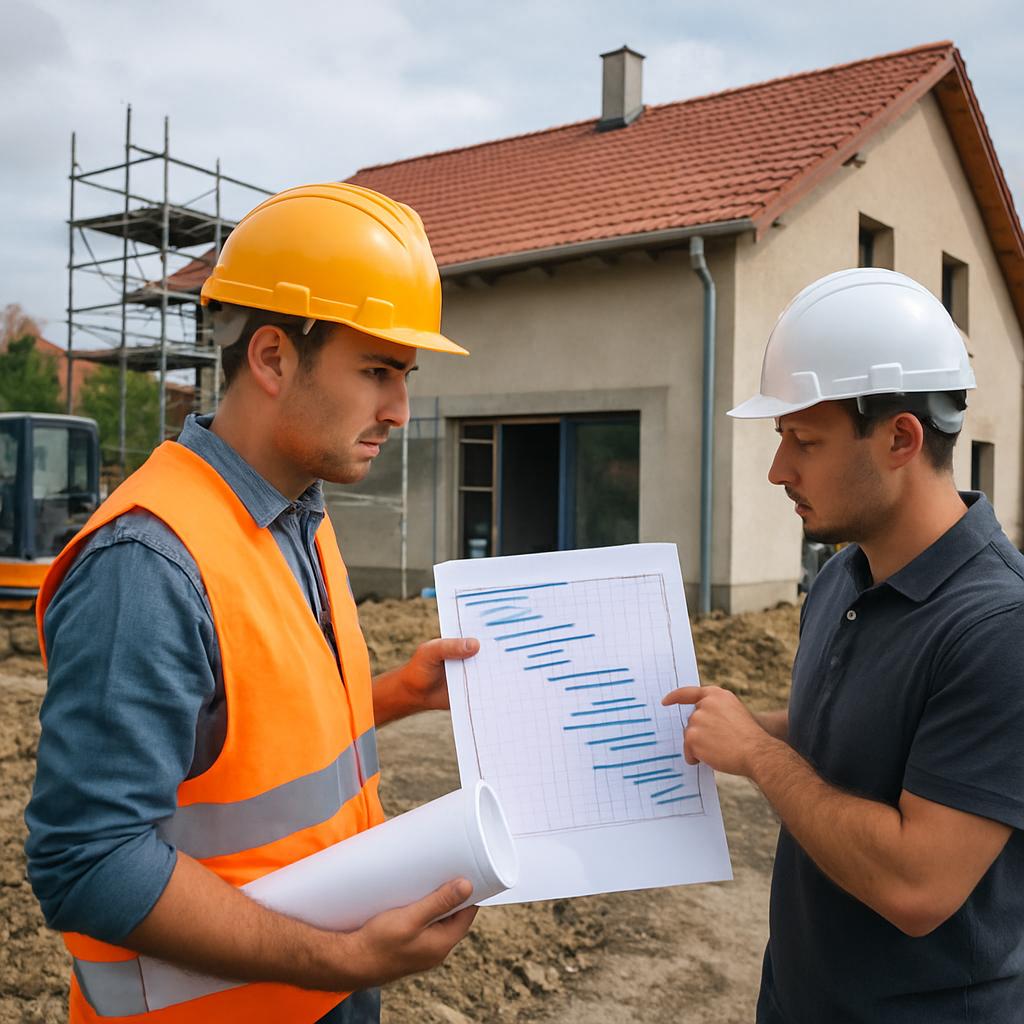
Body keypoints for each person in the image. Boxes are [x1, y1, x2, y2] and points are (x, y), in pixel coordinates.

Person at [26, 182, 480, 1024]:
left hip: (321, 993)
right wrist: (337, 958)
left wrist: (394, 696)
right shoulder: (148, 564)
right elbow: (88, 863)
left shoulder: (298, 513)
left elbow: (246, 748)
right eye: (378, 370)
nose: (401, 410)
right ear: (271, 358)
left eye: (405, 375)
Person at [664, 268, 1024, 1022]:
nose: (777, 470)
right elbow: (860, 738)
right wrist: (735, 726)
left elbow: (915, 886)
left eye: (804, 440)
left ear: (900, 438)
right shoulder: (841, 579)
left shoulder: (999, 629)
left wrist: (760, 759)